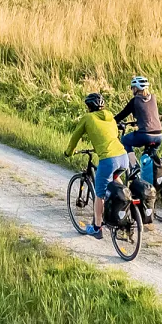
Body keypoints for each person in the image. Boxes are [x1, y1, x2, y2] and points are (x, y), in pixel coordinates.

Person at [65, 91, 129, 238]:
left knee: (99, 194)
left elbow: (76, 135)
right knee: (115, 180)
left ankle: (97, 228)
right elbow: (111, 135)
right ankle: (126, 203)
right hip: (123, 156)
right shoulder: (110, 117)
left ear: (89, 107)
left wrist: (69, 152)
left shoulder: (88, 118)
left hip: (109, 159)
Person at [115, 75, 162, 169]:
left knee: (125, 141)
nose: (132, 90)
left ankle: (134, 167)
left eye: (132, 88)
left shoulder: (135, 101)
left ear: (136, 88)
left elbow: (121, 115)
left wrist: (110, 122)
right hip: (159, 135)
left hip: (145, 135)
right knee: (148, 159)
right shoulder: (153, 98)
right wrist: (137, 122)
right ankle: (150, 175)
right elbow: (149, 115)